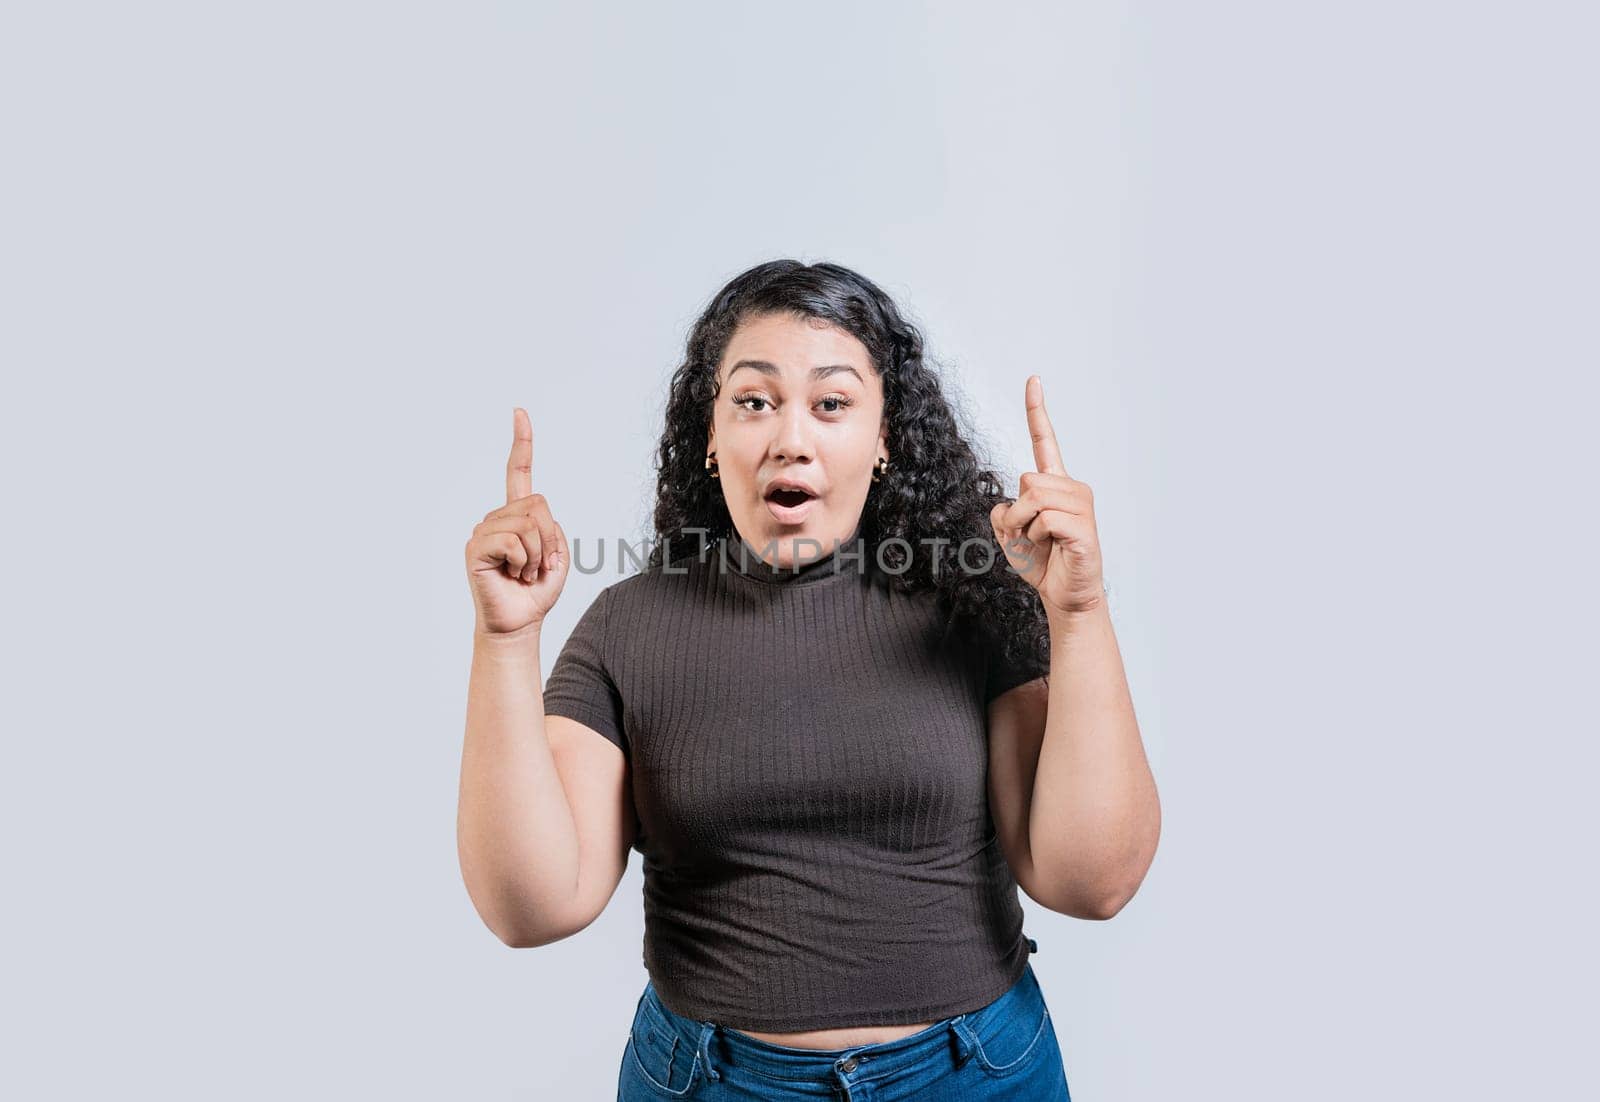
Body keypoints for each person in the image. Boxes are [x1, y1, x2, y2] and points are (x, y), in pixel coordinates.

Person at [458, 260, 1160, 1099]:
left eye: (832, 403)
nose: (791, 436)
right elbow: (532, 908)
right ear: (709, 437)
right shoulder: (628, 628)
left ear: (885, 438)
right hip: (710, 1083)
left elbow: (1092, 882)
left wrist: (1077, 613)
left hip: (974, 1076)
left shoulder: (969, 608)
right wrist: (506, 637)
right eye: (754, 401)